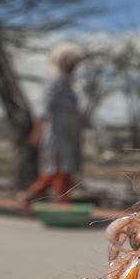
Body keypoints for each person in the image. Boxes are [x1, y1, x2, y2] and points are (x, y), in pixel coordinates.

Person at [23, 42, 85, 204]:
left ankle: (35, 200)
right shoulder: (55, 81)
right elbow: (45, 109)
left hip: (67, 135)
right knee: (59, 170)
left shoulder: (66, 83)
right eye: (72, 63)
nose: (74, 67)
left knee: (63, 171)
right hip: (57, 136)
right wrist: (37, 132)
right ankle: (58, 204)